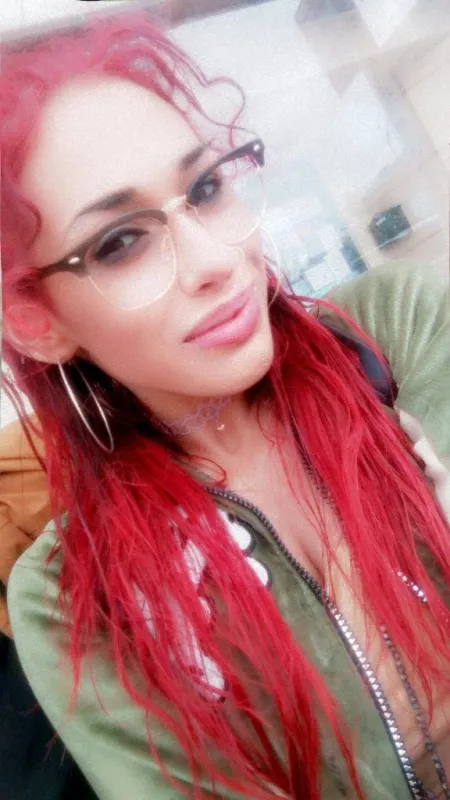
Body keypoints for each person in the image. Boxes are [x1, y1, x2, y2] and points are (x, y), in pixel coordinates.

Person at [1, 8, 449, 800]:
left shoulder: (399, 331)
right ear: (39, 323)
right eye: (119, 242)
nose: (218, 259)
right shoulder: (76, 595)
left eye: (206, 188)